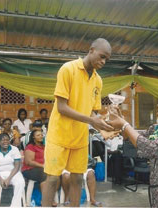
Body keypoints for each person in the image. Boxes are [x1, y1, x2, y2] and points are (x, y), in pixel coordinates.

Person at [42, 38, 114, 207]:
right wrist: (91, 120)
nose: (103, 62)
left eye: (107, 60)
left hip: (80, 136)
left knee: (77, 178)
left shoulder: (98, 80)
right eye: (102, 56)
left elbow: (92, 111)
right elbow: (61, 107)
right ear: (91, 50)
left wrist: (104, 125)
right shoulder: (68, 69)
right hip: (59, 134)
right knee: (52, 179)